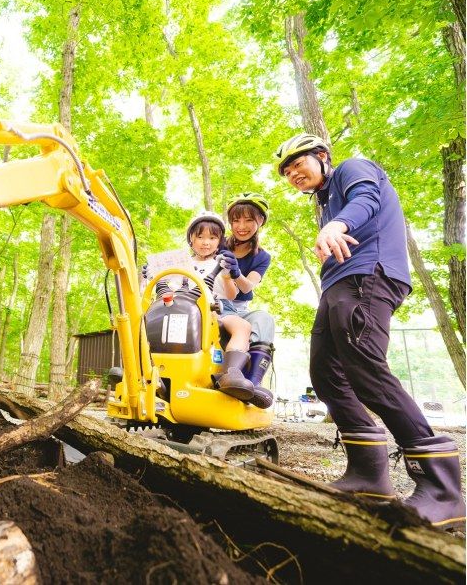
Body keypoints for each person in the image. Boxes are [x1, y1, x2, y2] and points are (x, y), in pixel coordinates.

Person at [275, 133, 465, 528]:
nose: (294, 173)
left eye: (299, 164)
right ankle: (369, 474)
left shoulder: (352, 168)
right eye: (287, 171)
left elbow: (368, 199)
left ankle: (443, 489)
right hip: (338, 285)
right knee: (325, 375)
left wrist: (338, 224)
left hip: (369, 275)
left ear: (323, 157)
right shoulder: (325, 200)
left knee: (365, 370)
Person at [180, 212, 270, 409]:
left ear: (220, 241)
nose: (206, 242)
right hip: (187, 307)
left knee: (242, 326)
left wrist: (230, 276)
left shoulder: (222, 263)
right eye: (200, 237)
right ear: (191, 240)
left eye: (212, 238)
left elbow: (231, 295)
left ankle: (231, 373)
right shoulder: (183, 265)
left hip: (218, 308)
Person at [221, 193, 276, 409]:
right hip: (214, 302)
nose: (241, 226)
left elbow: (247, 286)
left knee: (263, 319)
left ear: (260, 221)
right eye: (236, 220)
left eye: (248, 220)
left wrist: (235, 273)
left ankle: (252, 383)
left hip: (240, 308)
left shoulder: (262, 256)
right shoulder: (219, 245)